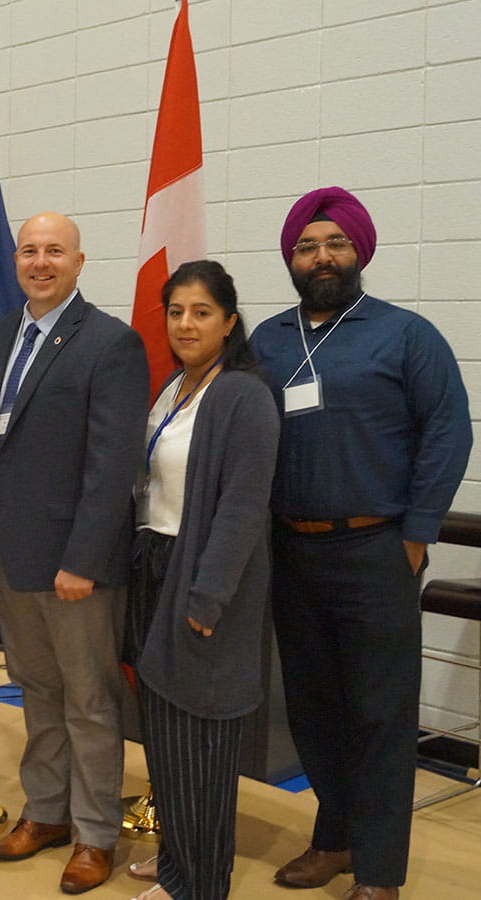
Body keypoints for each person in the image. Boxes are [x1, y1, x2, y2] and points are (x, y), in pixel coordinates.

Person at [250, 187, 472, 900]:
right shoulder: (268, 341)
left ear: (359, 251)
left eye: (335, 243)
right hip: (292, 552)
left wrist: (416, 534)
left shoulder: (405, 335)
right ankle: (335, 838)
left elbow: (448, 432)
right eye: (307, 246)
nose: (322, 256)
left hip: (377, 552)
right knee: (312, 709)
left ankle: (378, 873)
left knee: (379, 714)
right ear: (291, 259)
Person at [0, 212, 149, 894]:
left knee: (90, 701)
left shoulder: (111, 342)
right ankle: (47, 812)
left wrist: (85, 559)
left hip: (77, 567)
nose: (40, 262)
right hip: (14, 558)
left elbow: (112, 465)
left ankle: (96, 833)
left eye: (54, 251)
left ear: (78, 262)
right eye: (28, 251)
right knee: (37, 691)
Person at [122, 261, 279, 900]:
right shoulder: (175, 386)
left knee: (200, 743)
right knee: (164, 735)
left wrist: (209, 596)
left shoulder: (244, 395)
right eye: (176, 311)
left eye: (202, 312)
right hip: (153, 564)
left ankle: (201, 883)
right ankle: (176, 864)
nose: (186, 324)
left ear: (229, 322)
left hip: (201, 577)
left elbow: (243, 507)